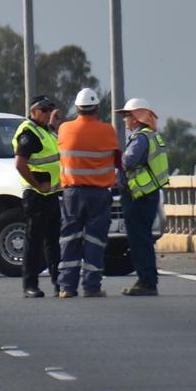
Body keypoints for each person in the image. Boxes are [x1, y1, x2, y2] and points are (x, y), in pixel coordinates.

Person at [56, 88, 120, 298]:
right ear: (97, 109)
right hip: (99, 194)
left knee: (69, 238)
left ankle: (67, 287)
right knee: (95, 240)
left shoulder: (64, 129)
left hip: (72, 194)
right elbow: (118, 160)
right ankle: (91, 286)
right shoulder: (108, 131)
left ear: (77, 108)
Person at [116, 98, 170, 296]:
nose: (124, 120)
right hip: (148, 194)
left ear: (138, 118)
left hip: (138, 195)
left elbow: (129, 161)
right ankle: (148, 279)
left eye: (127, 116)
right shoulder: (152, 136)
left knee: (139, 240)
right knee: (144, 239)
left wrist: (117, 158)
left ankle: (145, 281)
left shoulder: (140, 139)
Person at [13, 95, 63, 298]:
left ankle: (59, 282)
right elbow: (20, 164)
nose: (47, 113)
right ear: (33, 112)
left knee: (53, 240)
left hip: (50, 194)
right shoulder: (29, 132)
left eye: (50, 109)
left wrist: (52, 124)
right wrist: (37, 185)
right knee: (34, 242)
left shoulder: (45, 131)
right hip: (36, 195)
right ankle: (29, 285)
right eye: (44, 110)